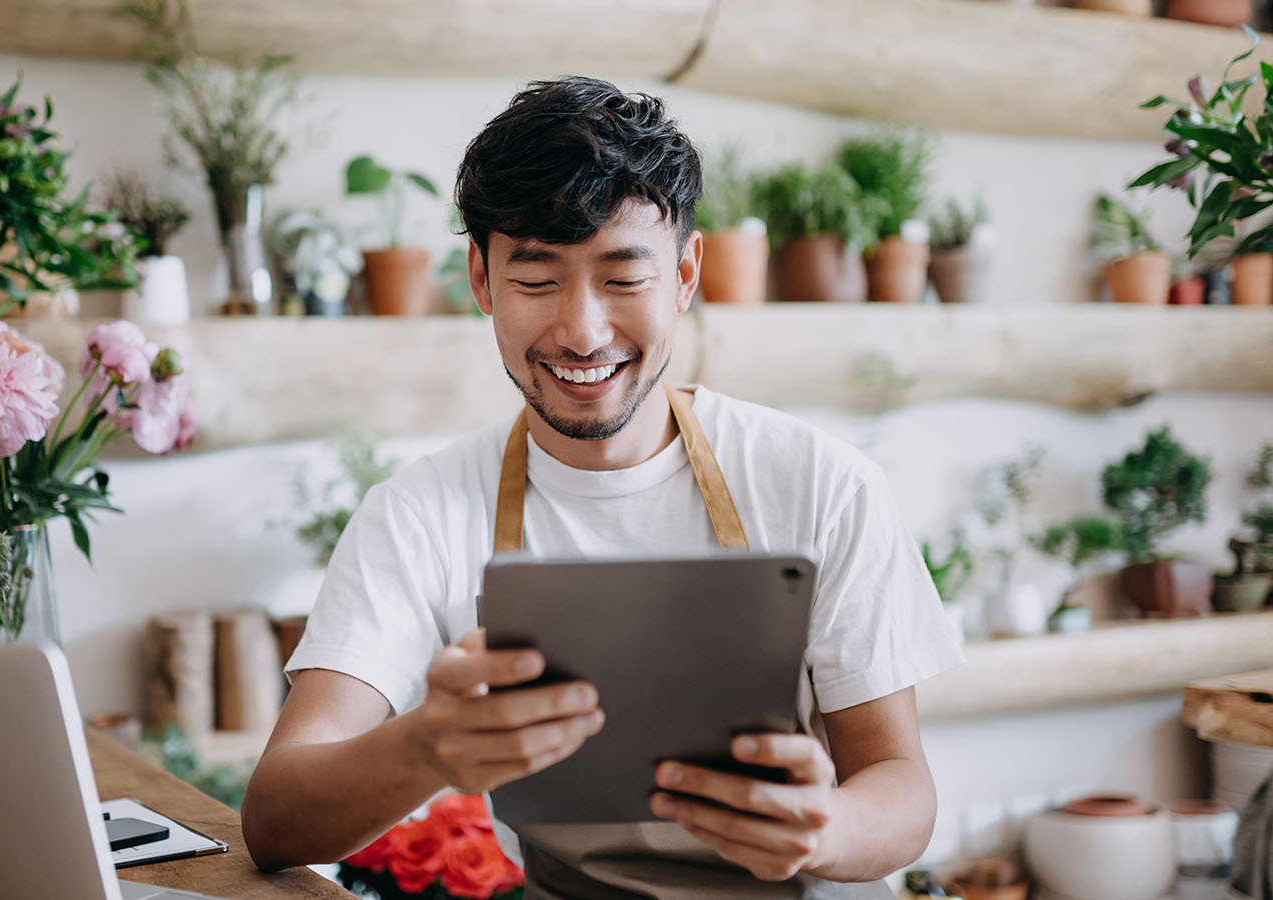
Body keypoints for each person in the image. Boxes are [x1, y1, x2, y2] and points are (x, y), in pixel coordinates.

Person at [241, 76, 965, 898]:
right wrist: (425, 749)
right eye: (537, 279)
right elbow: (272, 819)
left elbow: (902, 790)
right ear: (480, 280)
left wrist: (825, 826)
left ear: (687, 274)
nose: (583, 331)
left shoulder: (820, 484)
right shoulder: (418, 515)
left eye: (624, 278)